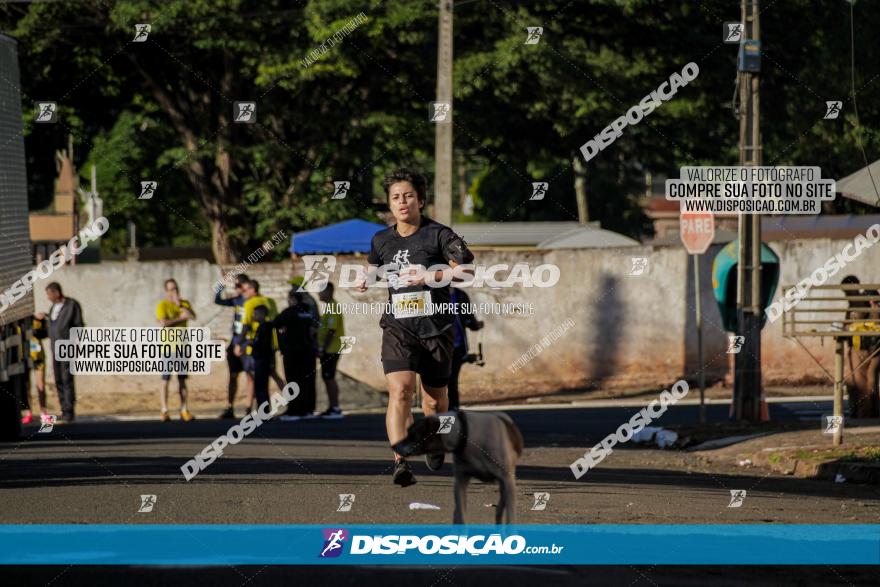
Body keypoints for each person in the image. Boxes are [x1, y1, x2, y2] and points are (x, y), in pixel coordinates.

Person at [356, 168, 475, 487]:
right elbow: (371, 270)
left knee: (435, 400)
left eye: (408, 195)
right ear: (390, 205)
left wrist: (430, 277)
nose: (402, 202)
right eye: (395, 197)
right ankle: (400, 460)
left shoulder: (440, 234)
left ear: (421, 200)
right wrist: (363, 281)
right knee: (400, 390)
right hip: (398, 328)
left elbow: (466, 273)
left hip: (436, 329)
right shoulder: (381, 239)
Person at [275, 281, 319, 420]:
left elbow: (275, 323)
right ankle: (308, 410)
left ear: (293, 300)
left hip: (293, 352)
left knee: (293, 380)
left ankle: (295, 410)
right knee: (309, 381)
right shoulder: (310, 312)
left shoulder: (290, 312)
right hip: (309, 352)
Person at [234, 279, 279, 411]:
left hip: (258, 350)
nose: (244, 292)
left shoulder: (249, 304)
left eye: (246, 289)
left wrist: (239, 344)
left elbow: (245, 326)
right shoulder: (270, 301)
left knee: (257, 379)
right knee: (271, 375)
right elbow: (276, 321)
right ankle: (290, 402)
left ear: (253, 290)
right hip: (271, 346)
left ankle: (257, 408)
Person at [155, 278, 196, 422]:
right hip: (168, 347)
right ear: (166, 291)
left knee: (182, 380)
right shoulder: (162, 305)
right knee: (165, 379)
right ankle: (164, 410)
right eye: (171, 289)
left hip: (182, 347)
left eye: (176, 288)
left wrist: (180, 305)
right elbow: (164, 323)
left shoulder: (184, 304)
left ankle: (184, 409)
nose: (174, 292)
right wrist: (180, 318)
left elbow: (192, 316)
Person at [45, 282, 84, 423]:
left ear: (56, 293)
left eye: (49, 294)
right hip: (55, 349)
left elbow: (79, 325)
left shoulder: (72, 305)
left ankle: (69, 411)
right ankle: (63, 408)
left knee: (67, 379)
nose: (48, 297)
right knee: (58, 379)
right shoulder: (53, 308)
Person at [842, 276, 880, 418]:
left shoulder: (866, 301)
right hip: (858, 348)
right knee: (854, 382)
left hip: (872, 348)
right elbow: (849, 326)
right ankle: (860, 412)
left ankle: (869, 413)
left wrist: (874, 307)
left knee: (868, 381)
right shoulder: (856, 303)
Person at [214, 273, 249, 418]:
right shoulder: (236, 300)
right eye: (235, 286)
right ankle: (230, 407)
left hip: (247, 343)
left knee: (250, 376)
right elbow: (218, 300)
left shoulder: (251, 300)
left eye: (238, 285)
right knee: (233, 376)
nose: (236, 288)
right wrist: (220, 287)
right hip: (234, 341)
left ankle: (249, 408)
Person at [447, 288, 484, 410]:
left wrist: (476, 325)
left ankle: (453, 414)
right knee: (439, 385)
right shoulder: (429, 293)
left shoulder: (460, 295)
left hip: (457, 347)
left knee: (452, 381)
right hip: (436, 348)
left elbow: (468, 319)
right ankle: (440, 416)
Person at [317, 282, 345, 419]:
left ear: (329, 292)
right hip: (329, 349)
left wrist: (323, 348)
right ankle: (332, 406)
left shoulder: (333, 306)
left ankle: (335, 407)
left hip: (332, 349)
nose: (319, 293)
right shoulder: (329, 307)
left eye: (321, 291)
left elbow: (331, 330)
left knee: (329, 377)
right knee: (327, 377)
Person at [20, 314, 50, 425]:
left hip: (37, 356)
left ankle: (44, 412)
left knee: (40, 384)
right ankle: (28, 413)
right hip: (23, 356)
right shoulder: (17, 321)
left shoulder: (37, 319)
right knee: (26, 385)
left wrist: (40, 321)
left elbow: (46, 333)